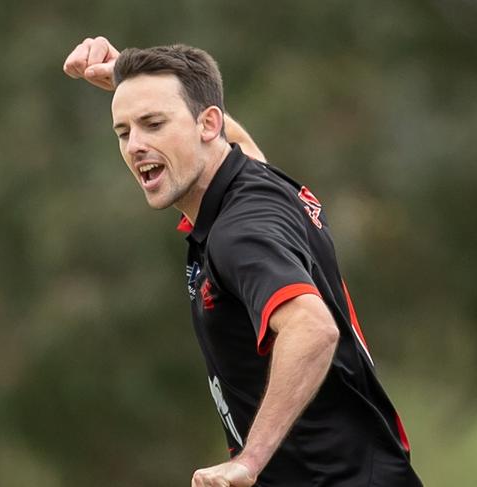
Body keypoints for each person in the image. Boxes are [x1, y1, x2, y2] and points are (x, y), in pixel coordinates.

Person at [63, 37, 423, 487]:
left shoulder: (239, 234)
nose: (135, 145)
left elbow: (312, 328)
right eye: (124, 131)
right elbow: (242, 143)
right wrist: (137, 86)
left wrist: (248, 462)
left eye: (153, 123)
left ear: (208, 124)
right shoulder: (250, 180)